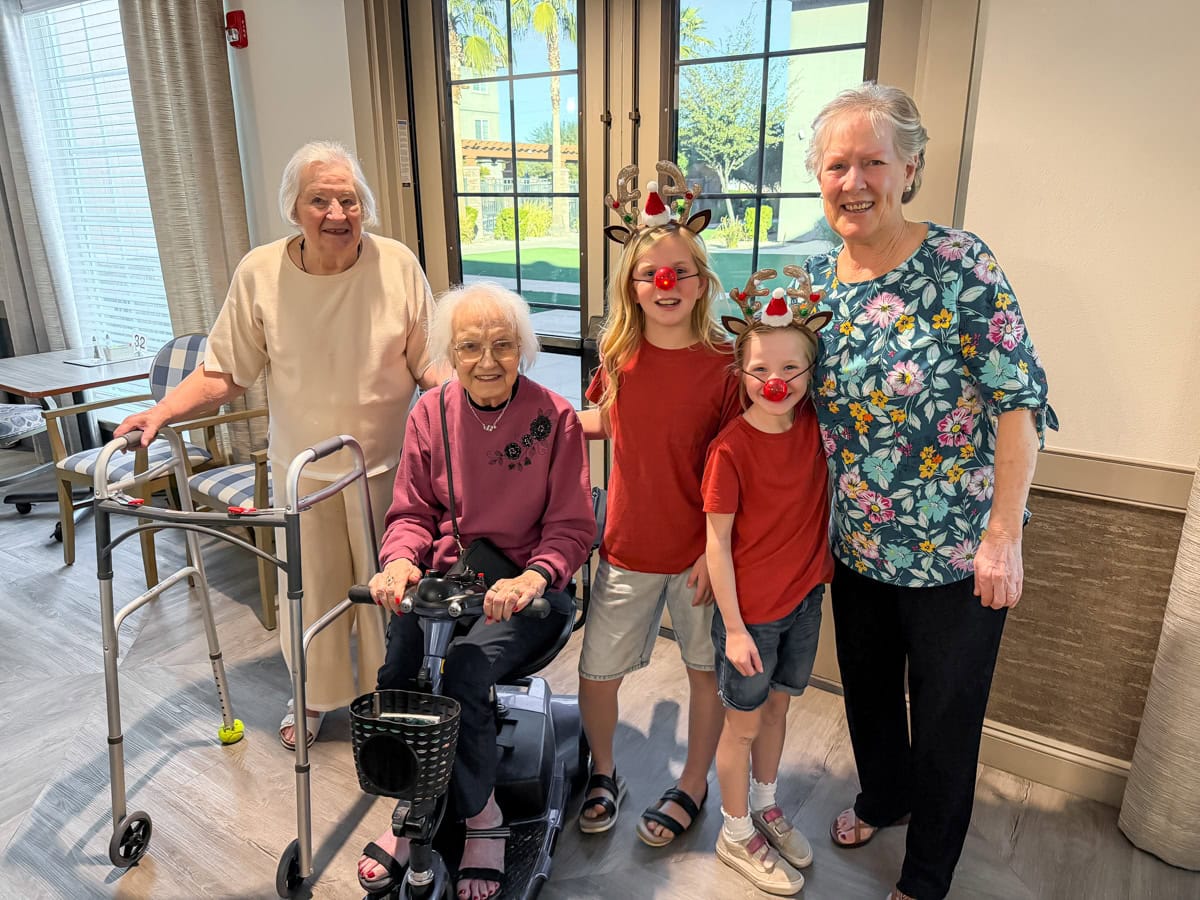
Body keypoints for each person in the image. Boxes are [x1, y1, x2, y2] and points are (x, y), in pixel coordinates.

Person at [802, 83, 1055, 900]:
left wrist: (1004, 535)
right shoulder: (812, 285)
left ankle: (927, 873)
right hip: (859, 542)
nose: (854, 180)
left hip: (958, 553)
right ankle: (885, 796)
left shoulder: (959, 264)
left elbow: (1018, 402)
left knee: (945, 719)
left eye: (873, 161)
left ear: (909, 167)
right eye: (837, 163)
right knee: (869, 696)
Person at [115, 140, 443, 750]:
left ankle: (392, 695)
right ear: (294, 207)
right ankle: (314, 700)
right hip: (305, 473)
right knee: (310, 594)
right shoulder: (260, 272)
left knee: (391, 591)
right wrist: (161, 410)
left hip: (388, 470)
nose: (337, 214)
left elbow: (431, 363)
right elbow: (225, 370)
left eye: (349, 199)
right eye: (320, 200)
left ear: (365, 205)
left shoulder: (397, 264)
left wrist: (480, 409)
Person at [357, 282, 594, 900]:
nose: (487, 360)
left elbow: (572, 526)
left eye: (503, 345)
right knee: (400, 670)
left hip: (531, 589)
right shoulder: (429, 413)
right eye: (470, 347)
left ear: (524, 349)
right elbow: (410, 511)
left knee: (463, 672)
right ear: (449, 352)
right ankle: (412, 811)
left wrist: (533, 576)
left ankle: (482, 816)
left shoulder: (555, 418)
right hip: (448, 582)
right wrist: (399, 562)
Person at [576, 163, 741, 846]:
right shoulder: (618, 357)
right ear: (631, 286)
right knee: (597, 674)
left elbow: (742, 471)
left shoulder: (727, 363)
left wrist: (721, 558)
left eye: (680, 271)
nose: (665, 284)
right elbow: (604, 422)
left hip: (699, 557)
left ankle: (694, 782)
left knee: (707, 674)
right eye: (650, 274)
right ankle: (604, 772)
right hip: (627, 549)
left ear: (702, 282)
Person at [703, 284, 834, 895]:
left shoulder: (814, 426)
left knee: (779, 708)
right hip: (750, 616)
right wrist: (731, 628)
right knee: (743, 726)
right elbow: (717, 545)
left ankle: (765, 803)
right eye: (759, 369)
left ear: (810, 371)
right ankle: (733, 831)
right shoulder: (729, 450)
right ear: (741, 373)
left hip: (806, 599)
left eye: (789, 368)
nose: (774, 380)